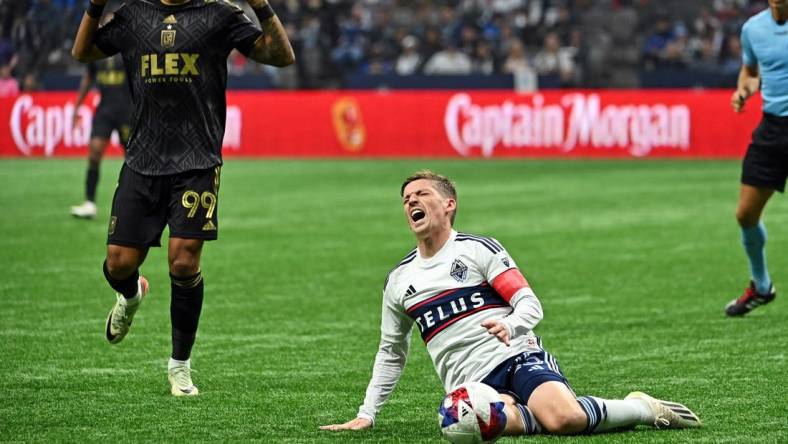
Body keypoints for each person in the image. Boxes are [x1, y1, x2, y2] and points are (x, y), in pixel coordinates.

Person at [320, 171, 701, 437]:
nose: (411, 202)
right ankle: (529, 410)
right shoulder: (399, 281)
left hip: (517, 357)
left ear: (449, 204)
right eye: (406, 199)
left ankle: (641, 408)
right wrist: (366, 414)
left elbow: (529, 303)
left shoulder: (476, 250)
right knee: (468, 426)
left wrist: (512, 325)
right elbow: (391, 352)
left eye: (422, 195)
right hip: (471, 387)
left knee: (564, 419)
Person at [71, 0, 294, 396]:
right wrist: (95, 6)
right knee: (118, 264)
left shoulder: (221, 14)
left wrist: (261, 6)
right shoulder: (134, 14)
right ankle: (130, 293)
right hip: (142, 160)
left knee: (184, 260)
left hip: (198, 161)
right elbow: (83, 52)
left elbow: (281, 56)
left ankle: (179, 367)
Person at [725, 0, 786, 317]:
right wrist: (743, 92)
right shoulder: (753, 29)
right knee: (746, 214)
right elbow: (750, 72)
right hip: (773, 130)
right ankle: (762, 287)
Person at [71, 13, 132, 219]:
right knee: (94, 153)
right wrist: (77, 107)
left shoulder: (128, 49)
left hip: (128, 110)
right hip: (105, 109)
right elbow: (88, 79)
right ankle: (90, 203)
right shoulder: (97, 51)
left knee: (132, 160)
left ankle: (134, 204)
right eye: (106, 23)